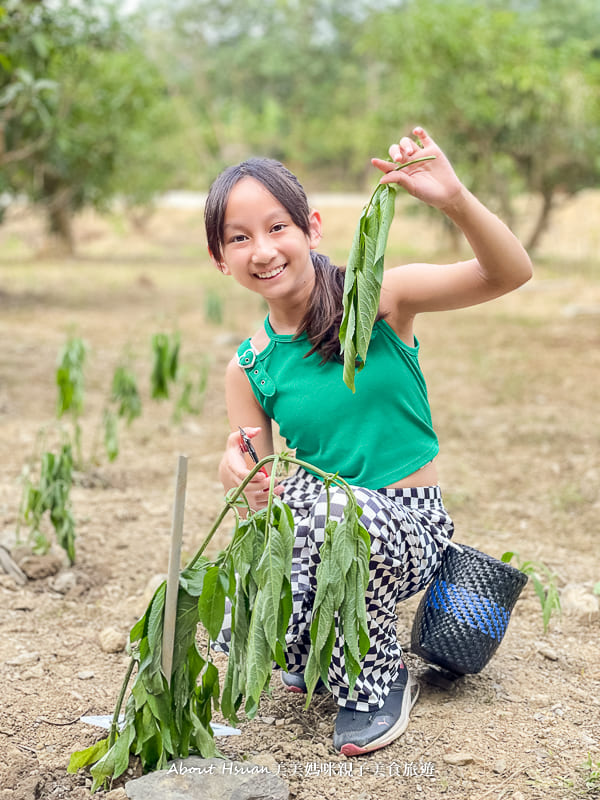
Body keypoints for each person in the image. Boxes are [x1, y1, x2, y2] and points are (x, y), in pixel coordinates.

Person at [204, 127, 532, 756]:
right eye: (239, 238)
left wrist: (455, 199)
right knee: (292, 516)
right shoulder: (249, 366)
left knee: (329, 511)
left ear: (312, 229)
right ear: (221, 259)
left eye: (277, 228)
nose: (263, 250)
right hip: (326, 526)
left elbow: (508, 273)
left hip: (409, 527)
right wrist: (239, 478)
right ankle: (314, 641)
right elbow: (260, 494)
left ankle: (380, 677)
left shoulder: (377, 297)